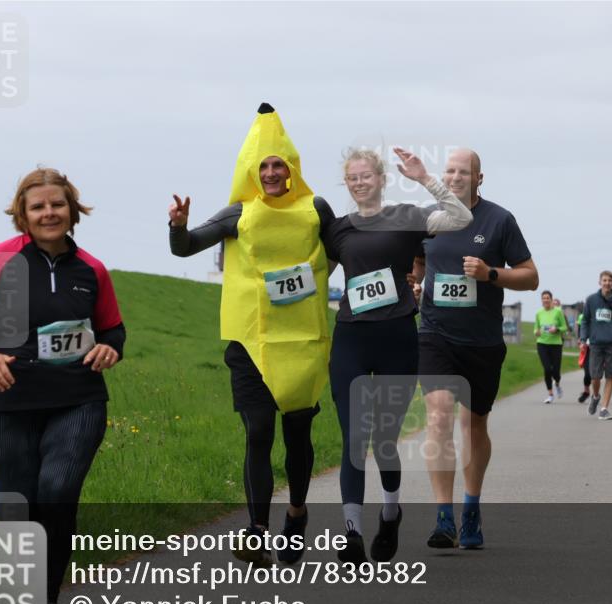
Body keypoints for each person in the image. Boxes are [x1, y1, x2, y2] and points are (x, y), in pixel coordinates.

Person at [0, 167, 126, 604]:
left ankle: (44, 601)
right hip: (11, 400)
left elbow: (112, 328)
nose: (49, 213)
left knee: (58, 492)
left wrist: (110, 348)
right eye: (38, 206)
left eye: (57, 204)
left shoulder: (92, 269)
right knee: (18, 503)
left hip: (78, 399)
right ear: (22, 214)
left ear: (73, 211)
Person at [169, 103, 333, 566]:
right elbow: (185, 249)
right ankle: (258, 530)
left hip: (301, 341)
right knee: (258, 432)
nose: (272, 172)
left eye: (279, 164)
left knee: (297, 435)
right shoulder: (238, 213)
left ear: (292, 168)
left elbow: (346, 245)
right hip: (249, 341)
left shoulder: (315, 208)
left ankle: (296, 514)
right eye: (263, 165)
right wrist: (177, 225)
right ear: (250, 171)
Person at [325, 147, 472, 564]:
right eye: (351, 177)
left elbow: (460, 218)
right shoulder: (337, 229)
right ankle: (352, 532)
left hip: (396, 337)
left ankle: (390, 514)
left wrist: (426, 178)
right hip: (351, 337)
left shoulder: (406, 217)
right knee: (354, 437)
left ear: (381, 178)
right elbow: (315, 272)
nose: (358, 183)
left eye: (365, 176)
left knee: (384, 440)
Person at [412, 148, 538, 549]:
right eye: (449, 170)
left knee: (474, 424)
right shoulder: (428, 220)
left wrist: (491, 274)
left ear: (479, 178)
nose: (455, 176)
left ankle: (471, 507)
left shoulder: (499, 220)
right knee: (439, 415)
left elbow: (531, 277)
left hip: (481, 341)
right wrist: (414, 285)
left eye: (464, 171)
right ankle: (443, 517)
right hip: (434, 335)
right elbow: (414, 265)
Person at [579, 271, 612, 421]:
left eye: (610, 280)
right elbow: (585, 321)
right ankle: (595, 396)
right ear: (599, 282)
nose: (607, 283)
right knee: (595, 377)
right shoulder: (591, 300)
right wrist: (582, 339)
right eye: (604, 280)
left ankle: (604, 409)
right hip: (595, 343)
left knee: (610, 375)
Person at [533, 290, 568, 403]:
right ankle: (550, 394)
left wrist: (556, 329)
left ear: (551, 300)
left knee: (556, 372)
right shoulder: (539, 313)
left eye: (548, 298)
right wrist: (536, 332)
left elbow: (564, 327)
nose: (546, 300)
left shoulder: (558, 312)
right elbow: (535, 328)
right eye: (544, 298)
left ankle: (557, 383)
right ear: (541, 300)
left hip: (556, 344)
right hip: (542, 343)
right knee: (547, 369)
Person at [576, 311, 592, 403]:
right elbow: (580, 328)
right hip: (587, 347)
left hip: (599, 346)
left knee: (596, 373)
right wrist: (580, 339)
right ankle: (586, 391)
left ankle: (595, 394)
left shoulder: (599, 314)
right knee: (587, 373)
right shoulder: (582, 316)